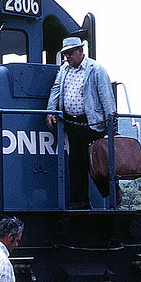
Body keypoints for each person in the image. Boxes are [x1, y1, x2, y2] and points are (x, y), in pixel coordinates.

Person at [45, 36, 116, 209]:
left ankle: (113, 195)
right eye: (65, 54)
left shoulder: (96, 69)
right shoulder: (64, 70)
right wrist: (50, 111)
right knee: (76, 163)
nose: (67, 57)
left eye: (70, 53)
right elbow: (56, 89)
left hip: (91, 123)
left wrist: (111, 123)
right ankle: (81, 201)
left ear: (81, 51)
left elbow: (106, 97)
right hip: (72, 123)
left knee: (97, 161)